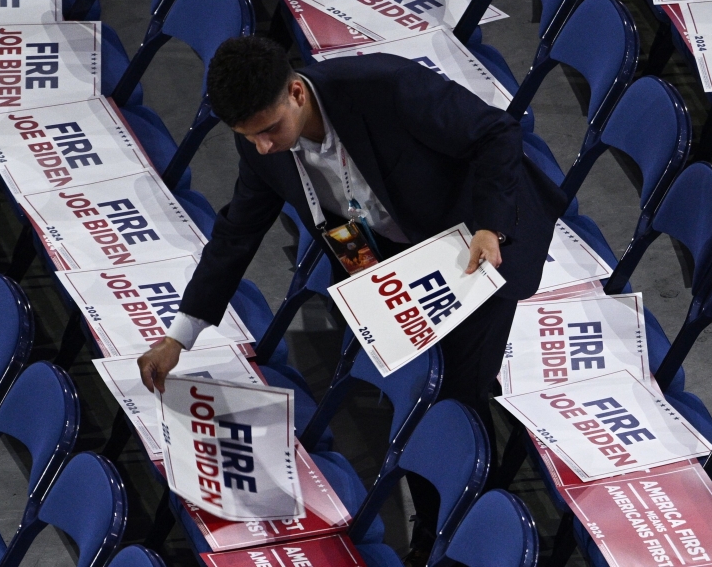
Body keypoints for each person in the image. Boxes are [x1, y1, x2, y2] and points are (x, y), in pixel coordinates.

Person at [136, 36, 567, 560]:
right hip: (395, 247)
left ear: (296, 92)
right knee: (414, 382)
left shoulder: (385, 87)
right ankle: (446, 504)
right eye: (250, 138)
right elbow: (235, 236)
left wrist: (490, 227)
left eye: (270, 130)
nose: (265, 147)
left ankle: (455, 533)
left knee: (456, 390)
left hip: (480, 237)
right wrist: (178, 337)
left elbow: (498, 133)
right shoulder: (262, 143)